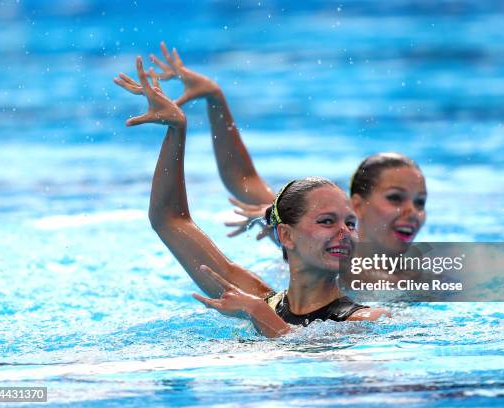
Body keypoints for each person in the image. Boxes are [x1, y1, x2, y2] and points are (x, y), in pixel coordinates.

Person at [116, 56, 389, 336]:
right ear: (285, 236)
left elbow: (308, 355)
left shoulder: (365, 321)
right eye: (327, 221)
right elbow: (169, 220)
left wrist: (258, 313)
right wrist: (177, 130)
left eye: (351, 224)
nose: (346, 233)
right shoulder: (262, 301)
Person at [114, 43, 427, 287]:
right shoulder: (316, 245)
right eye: (395, 198)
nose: (413, 213)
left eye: (420, 202)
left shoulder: (410, 273)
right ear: (357, 203)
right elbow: (241, 180)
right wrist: (211, 102)